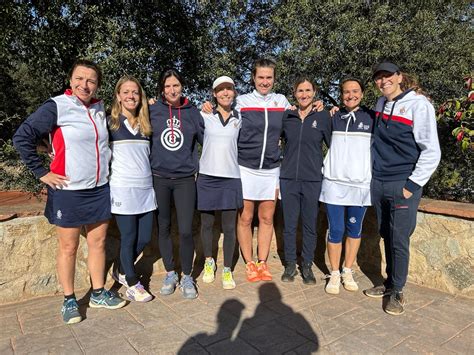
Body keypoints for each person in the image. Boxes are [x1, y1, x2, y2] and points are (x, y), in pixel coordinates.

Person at [13, 59, 126, 324]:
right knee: (69, 247)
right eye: (79, 78)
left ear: (97, 85)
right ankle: (69, 299)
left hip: (99, 188)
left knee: (98, 243)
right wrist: (42, 173)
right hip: (68, 190)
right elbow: (22, 137)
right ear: (70, 80)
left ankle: (98, 292)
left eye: (91, 80)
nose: (84, 85)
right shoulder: (57, 106)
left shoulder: (100, 109)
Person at [364, 62, 441, 315]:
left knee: (399, 239)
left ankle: (397, 291)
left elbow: (431, 150)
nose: (383, 81)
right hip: (379, 181)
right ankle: (388, 284)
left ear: (399, 77)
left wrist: (412, 185)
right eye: (378, 78)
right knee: (386, 233)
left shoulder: (419, 105)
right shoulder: (380, 104)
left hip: (402, 183)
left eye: (388, 76)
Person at [149, 68, 204, 299]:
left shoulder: (192, 112)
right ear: (162, 89)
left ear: (182, 87)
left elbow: (207, 141)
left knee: (185, 230)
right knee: (163, 228)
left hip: (184, 180)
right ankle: (171, 272)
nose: (172, 90)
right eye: (167, 86)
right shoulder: (153, 110)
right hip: (159, 178)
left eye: (176, 85)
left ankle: (188, 276)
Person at [319, 77, 375, 294]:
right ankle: (334, 273)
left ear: (362, 93)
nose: (351, 95)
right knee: (336, 230)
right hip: (334, 184)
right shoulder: (333, 117)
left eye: (355, 91)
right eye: (346, 92)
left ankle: (347, 270)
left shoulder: (372, 117)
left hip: (360, 186)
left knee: (354, 229)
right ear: (341, 95)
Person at [108, 75, 156, 302]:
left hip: (146, 189)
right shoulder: (110, 124)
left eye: (135, 92)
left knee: (144, 237)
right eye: (125, 92)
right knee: (129, 237)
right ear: (118, 96)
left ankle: (120, 268)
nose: (130, 96)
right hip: (122, 190)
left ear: (141, 96)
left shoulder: (147, 124)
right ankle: (133, 282)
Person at [280, 77, 331, 284]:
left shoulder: (324, 117)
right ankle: (291, 264)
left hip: (312, 180)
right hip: (289, 179)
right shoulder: (287, 116)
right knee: (290, 225)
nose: (304, 94)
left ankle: (307, 265)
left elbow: (334, 146)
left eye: (308, 90)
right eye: (300, 90)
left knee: (310, 225)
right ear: (295, 93)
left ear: (314, 92)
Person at [198, 76, 242, 289]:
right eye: (220, 90)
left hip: (231, 178)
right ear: (214, 94)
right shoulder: (203, 116)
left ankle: (227, 270)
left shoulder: (239, 118)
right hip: (207, 177)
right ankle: (209, 262)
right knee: (206, 224)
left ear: (234, 92)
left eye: (229, 89)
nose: (225, 93)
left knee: (229, 227)